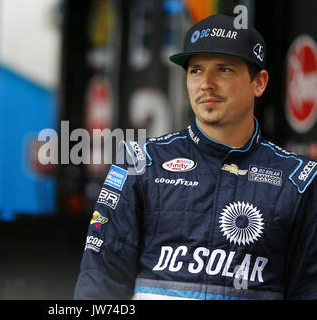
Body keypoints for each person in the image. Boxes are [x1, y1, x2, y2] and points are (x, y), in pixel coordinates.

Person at [73, 14, 317, 300]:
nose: (206, 84)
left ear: (259, 83)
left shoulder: (299, 180)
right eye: (196, 70)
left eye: (224, 70)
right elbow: (99, 283)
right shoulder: (139, 162)